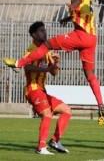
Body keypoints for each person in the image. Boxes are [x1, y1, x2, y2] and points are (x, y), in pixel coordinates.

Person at [3, 0, 104, 126]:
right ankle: (101, 107)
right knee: (90, 75)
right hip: (92, 39)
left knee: (46, 45)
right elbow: (81, 10)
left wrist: (72, 5)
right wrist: (67, 17)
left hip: (81, 35)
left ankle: (19, 63)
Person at [24, 21, 71, 155]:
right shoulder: (31, 50)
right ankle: (41, 147)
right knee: (47, 114)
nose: (44, 32)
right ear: (33, 35)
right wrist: (46, 68)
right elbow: (26, 66)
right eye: (41, 31)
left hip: (42, 90)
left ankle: (55, 141)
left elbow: (54, 73)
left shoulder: (47, 50)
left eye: (44, 30)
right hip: (33, 90)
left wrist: (56, 63)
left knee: (66, 110)